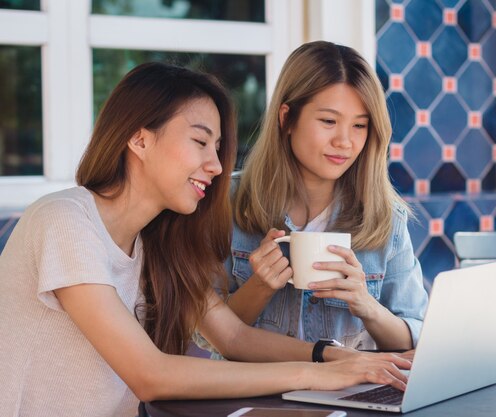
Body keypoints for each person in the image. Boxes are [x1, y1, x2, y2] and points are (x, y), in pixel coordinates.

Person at [0, 62, 411, 417]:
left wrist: (339, 357)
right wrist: (319, 374)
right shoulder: (65, 220)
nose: (215, 166)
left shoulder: (159, 241)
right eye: (200, 142)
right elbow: (151, 376)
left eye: (217, 148)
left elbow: (233, 336)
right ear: (139, 139)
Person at [216, 41, 429, 352]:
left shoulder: (385, 218)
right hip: (253, 394)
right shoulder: (227, 202)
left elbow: (415, 336)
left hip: (346, 395)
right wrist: (259, 286)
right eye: (329, 121)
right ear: (287, 119)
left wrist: (367, 306)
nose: (344, 142)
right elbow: (207, 335)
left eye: (359, 125)